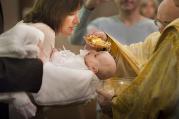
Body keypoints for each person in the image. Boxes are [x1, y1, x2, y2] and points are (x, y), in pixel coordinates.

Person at [96, 0, 179, 118]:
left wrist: (116, 106)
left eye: (166, 25)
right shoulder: (157, 37)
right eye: (157, 22)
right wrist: (106, 45)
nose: (160, 29)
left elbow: (157, 98)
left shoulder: (174, 39)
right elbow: (134, 56)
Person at [34, 49, 116, 106]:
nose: (92, 52)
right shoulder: (89, 71)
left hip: (44, 81)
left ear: (94, 68)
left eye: (95, 55)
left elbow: (62, 64)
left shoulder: (83, 70)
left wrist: (56, 54)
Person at [70, 0, 158, 45]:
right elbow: (76, 39)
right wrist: (88, 8)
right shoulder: (101, 25)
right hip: (109, 80)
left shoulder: (155, 27)